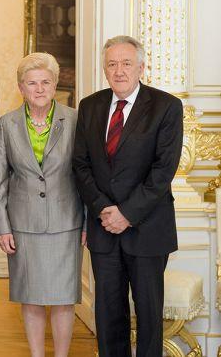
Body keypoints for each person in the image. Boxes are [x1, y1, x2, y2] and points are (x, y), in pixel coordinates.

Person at [73, 35, 183, 356]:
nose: (119, 71)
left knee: (149, 318)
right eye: (111, 64)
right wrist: (103, 209)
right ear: (104, 69)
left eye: (126, 63)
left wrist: (127, 213)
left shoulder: (166, 107)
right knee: (108, 317)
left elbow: (163, 171)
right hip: (103, 229)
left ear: (141, 67)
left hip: (147, 229)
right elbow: (80, 165)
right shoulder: (90, 106)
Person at [0, 52, 85, 357]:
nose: (40, 88)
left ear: (55, 84)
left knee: (62, 299)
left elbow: (86, 175)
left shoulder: (74, 120)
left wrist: (87, 222)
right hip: (23, 226)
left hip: (66, 223)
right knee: (30, 298)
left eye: (46, 81)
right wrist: (2, 227)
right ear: (21, 87)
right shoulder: (6, 124)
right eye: (32, 83)